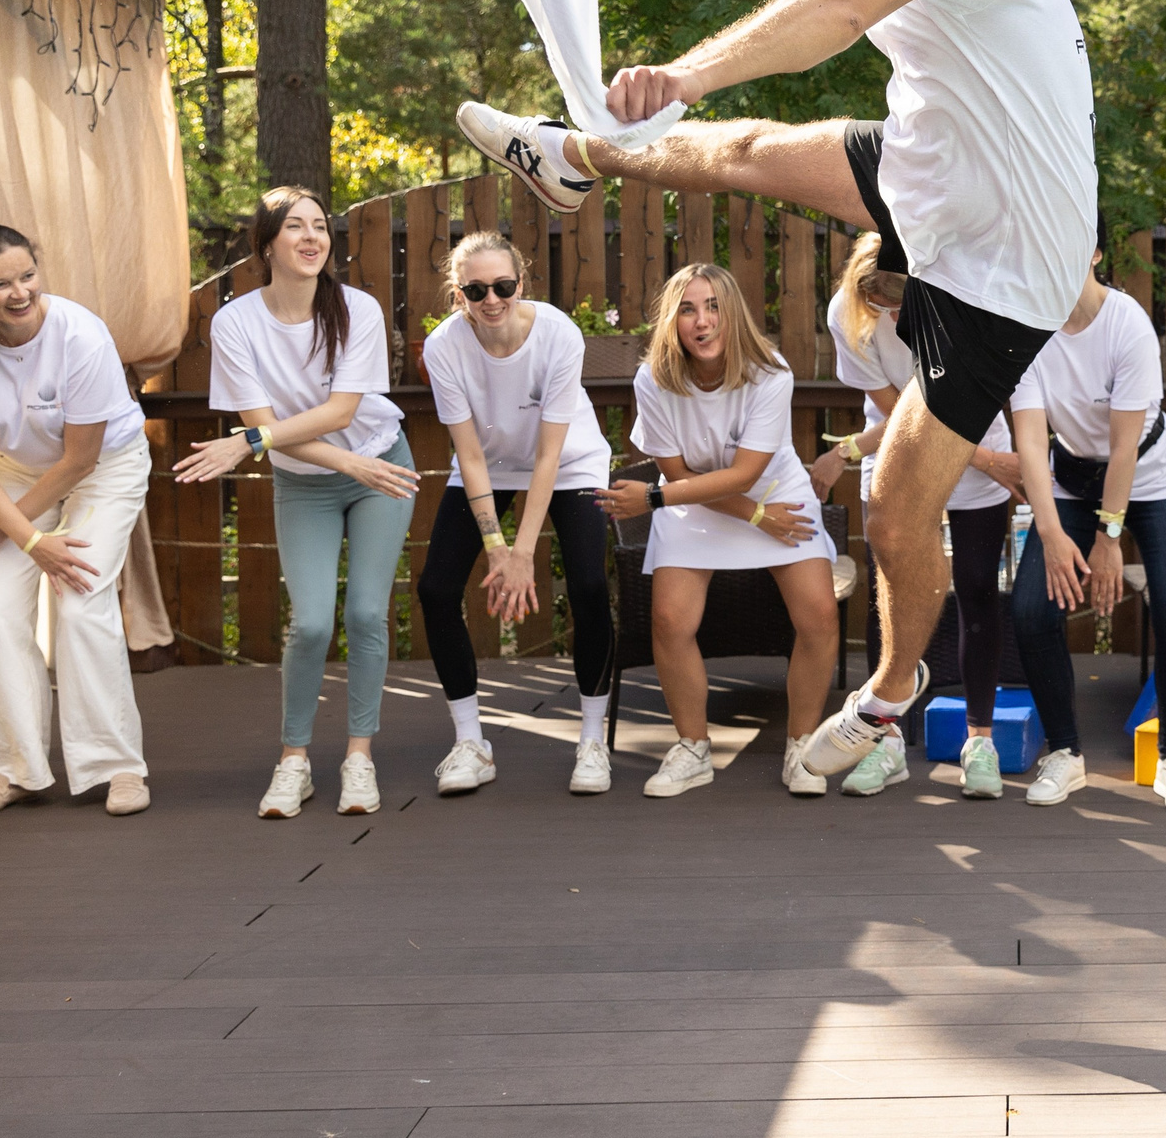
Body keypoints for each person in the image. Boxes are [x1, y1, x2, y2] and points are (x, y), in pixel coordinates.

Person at [457, 0, 1093, 783]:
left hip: (1014, 254)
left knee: (892, 511)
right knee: (742, 150)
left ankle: (887, 694)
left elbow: (836, 9)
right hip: (939, 169)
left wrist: (685, 76)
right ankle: (573, 157)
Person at [177, 187, 419, 818]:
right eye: (295, 227)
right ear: (266, 245)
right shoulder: (234, 322)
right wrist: (326, 457)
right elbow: (269, 423)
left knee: (367, 615)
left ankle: (359, 757)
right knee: (311, 622)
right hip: (312, 478)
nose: (312, 237)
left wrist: (248, 443)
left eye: (320, 226)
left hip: (381, 467)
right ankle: (295, 763)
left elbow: (340, 412)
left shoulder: (357, 311)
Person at [0, 225, 154, 819]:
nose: (19, 292)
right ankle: (12, 771)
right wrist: (23, 535)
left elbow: (80, 459)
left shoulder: (80, 334)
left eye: (27, 275)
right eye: (0, 283)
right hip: (14, 475)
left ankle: (119, 767)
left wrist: (6, 529)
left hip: (104, 467)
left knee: (81, 601)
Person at [600, 263, 838, 798]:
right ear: (673, 321)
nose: (701, 321)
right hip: (698, 499)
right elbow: (680, 473)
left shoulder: (770, 372)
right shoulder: (654, 378)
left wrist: (658, 500)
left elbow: (747, 475)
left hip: (775, 496)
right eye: (688, 309)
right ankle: (693, 748)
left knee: (820, 615)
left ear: (732, 317)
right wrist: (746, 514)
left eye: (713, 308)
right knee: (668, 620)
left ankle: (802, 747)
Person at [811, 233, 1023, 799]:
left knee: (978, 588)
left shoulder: (966, 297)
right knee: (896, 592)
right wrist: (992, 461)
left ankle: (980, 741)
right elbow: (901, 414)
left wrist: (987, 461)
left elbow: (979, 393)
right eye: (883, 300)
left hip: (980, 449)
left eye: (906, 299)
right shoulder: (846, 313)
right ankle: (884, 741)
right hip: (908, 455)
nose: (895, 312)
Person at [1010, 219, 1166, 812]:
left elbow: (1124, 448)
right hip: (1069, 480)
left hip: (1154, 477)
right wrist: (1048, 529)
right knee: (1028, 609)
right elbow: (1029, 440)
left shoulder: (1127, 325)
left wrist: (1107, 538)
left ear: (1094, 251)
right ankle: (1065, 753)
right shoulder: (1026, 330)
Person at [415, 233, 618, 797]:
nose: (492, 299)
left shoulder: (558, 334)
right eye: (476, 289)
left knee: (587, 582)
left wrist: (524, 552)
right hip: (489, 466)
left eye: (503, 286)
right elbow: (471, 455)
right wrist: (497, 548)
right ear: (459, 295)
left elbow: (550, 455)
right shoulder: (444, 347)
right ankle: (470, 741)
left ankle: (593, 739)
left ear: (520, 283)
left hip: (570, 463)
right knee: (435, 589)